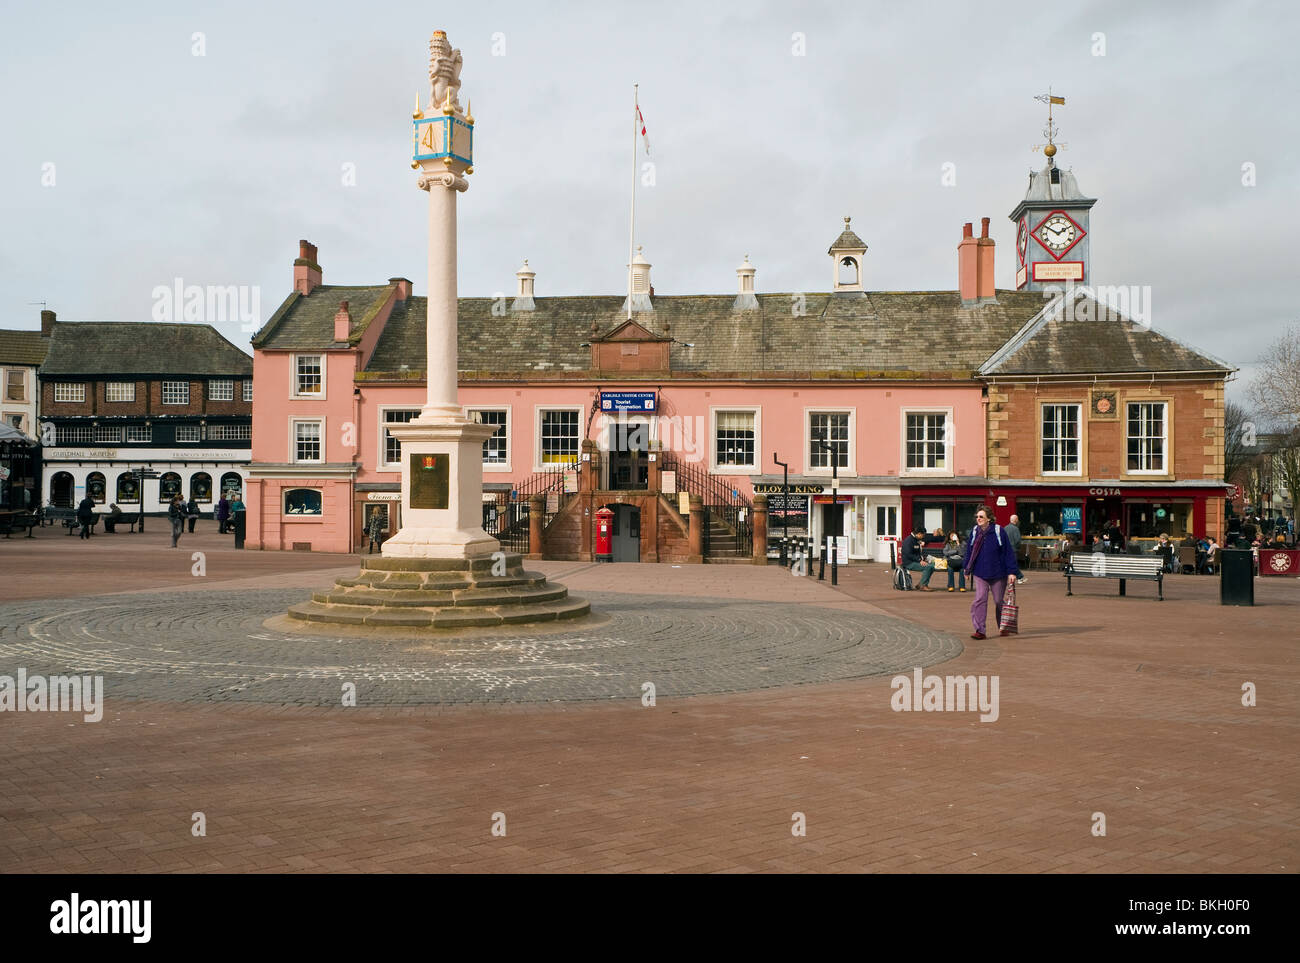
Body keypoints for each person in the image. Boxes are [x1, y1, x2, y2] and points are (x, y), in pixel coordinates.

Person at [962, 504, 1021, 639]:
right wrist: (966, 569)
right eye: (977, 516)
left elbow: (1008, 552)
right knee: (980, 599)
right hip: (980, 572)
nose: (978, 518)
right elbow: (969, 551)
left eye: (981, 516)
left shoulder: (999, 531)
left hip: (998, 573)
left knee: (999, 601)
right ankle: (980, 630)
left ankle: (1003, 626)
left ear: (989, 518)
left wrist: (1012, 572)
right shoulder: (975, 531)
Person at [900, 524, 936, 591]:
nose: (923, 537)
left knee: (932, 565)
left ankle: (921, 584)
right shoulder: (909, 541)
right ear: (919, 534)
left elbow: (917, 552)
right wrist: (920, 560)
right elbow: (908, 554)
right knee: (928, 567)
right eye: (923, 535)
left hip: (914, 561)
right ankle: (923, 585)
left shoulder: (915, 540)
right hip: (909, 563)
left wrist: (924, 558)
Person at [1005, 514, 1027, 584]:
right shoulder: (1016, 529)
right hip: (1013, 549)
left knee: (1010, 564)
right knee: (1014, 564)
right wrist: (1018, 548)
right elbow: (1018, 540)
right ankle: (1020, 577)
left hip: (1006, 549)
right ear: (1016, 520)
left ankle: (1019, 577)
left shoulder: (1005, 528)